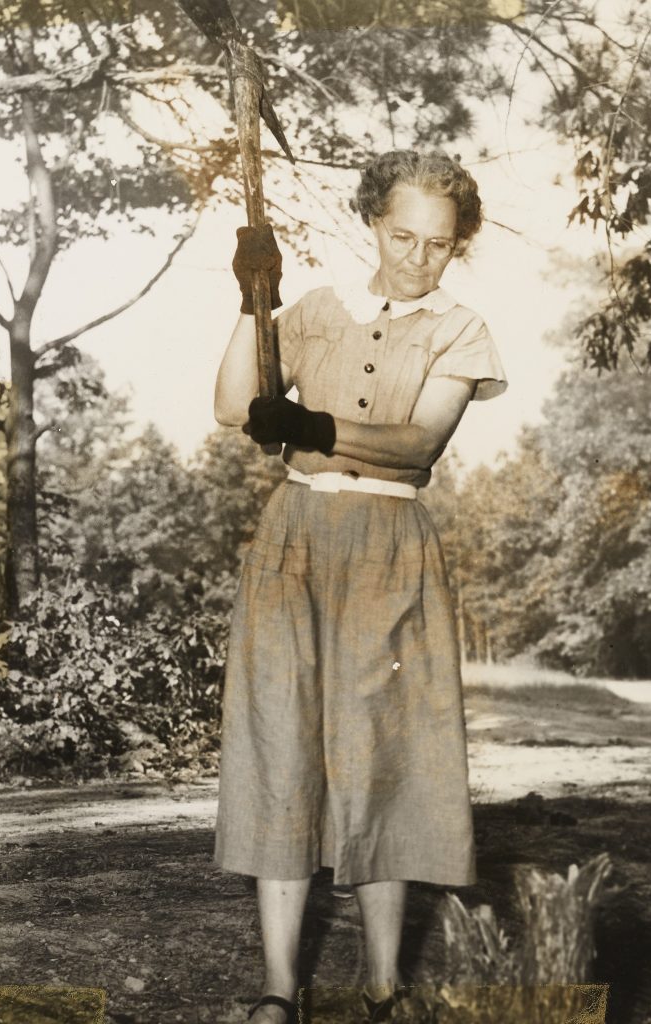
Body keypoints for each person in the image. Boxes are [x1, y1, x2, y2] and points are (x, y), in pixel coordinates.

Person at [213, 149, 507, 1024]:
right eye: (403, 235)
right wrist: (250, 303)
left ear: (458, 247)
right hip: (294, 541)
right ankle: (277, 988)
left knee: (384, 757)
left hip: (389, 544)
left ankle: (382, 985)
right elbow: (234, 406)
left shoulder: (460, 329)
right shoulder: (315, 312)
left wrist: (312, 425)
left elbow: (417, 446)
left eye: (439, 244)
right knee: (281, 748)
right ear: (373, 222)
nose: (419, 257)